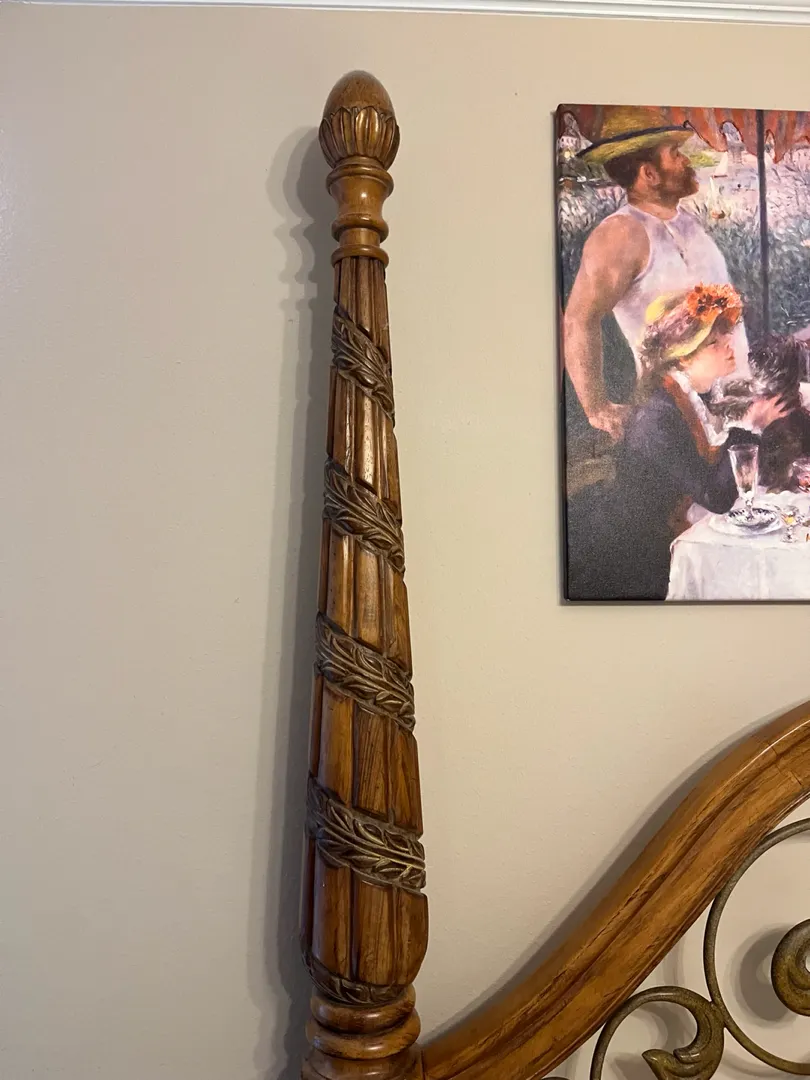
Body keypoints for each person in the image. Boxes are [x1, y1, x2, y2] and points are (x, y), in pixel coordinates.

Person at [565, 284, 787, 602]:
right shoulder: (658, 416)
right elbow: (716, 496)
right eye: (713, 343)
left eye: (726, 336)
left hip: (684, 529)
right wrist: (752, 425)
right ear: (683, 357)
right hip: (642, 555)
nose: (728, 346)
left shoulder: (703, 396)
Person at [563, 107, 749, 442]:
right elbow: (578, 319)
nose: (686, 161)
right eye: (675, 154)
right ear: (649, 173)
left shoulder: (686, 222)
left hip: (735, 403)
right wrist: (596, 407)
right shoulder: (620, 234)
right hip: (679, 417)